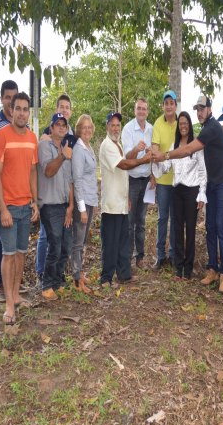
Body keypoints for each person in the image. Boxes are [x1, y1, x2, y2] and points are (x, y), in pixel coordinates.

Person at [152, 95, 223, 293]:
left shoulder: (213, 127)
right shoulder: (206, 128)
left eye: (202, 109)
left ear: (209, 109)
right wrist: (158, 163)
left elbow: (189, 149)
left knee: (220, 226)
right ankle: (212, 269)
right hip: (212, 183)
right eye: (197, 109)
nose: (199, 112)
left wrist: (166, 154)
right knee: (209, 226)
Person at [0, 92, 39, 324]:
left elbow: (32, 172)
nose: (21, 113)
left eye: (24, 109)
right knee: (8, 256)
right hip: (8, 207)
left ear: (28, 112)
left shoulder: (32, 138)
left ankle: (17, 294)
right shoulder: (1, 136)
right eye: (17, 108)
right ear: (11, 110)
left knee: (21, 253)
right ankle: (9, 304)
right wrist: (3, 207)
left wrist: (35, 202)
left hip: (25, 206)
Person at [99, 112, 151, 287]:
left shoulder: (118, 144)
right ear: (107, 126)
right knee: (110, 242)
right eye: (112, 125)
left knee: (123, 240)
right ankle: (106, 278)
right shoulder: (107, 145)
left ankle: (123, 274)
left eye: (117, 125)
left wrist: (128, 196)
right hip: (111, 204)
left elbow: (123, 174)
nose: (115, 128)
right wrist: (143, 160)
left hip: (121, 202)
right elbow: (123, 165)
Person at [153, 111, 207, 280]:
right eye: (181, 123)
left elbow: (202, 170)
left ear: (189, 125)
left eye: (186, 123)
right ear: (178, 126)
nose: (183, 126)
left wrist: (202, 193)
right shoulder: (173, 146)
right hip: (176, 190)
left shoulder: (196, 145)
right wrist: (156, 163)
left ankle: (188, 269)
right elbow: (165, 167)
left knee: (190, 229)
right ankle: (178, 268)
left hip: (192, 191)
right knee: (177, 228)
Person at [36, 94, 75, 285]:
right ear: (51, 128)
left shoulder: (67, 147)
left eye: (64, 125)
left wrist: (70, 206)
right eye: (57, 125)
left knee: (66, 247)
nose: (60, 128)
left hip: (63, 204)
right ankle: (47, 283)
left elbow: (69, 180)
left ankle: (58, 280)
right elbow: (49, 171)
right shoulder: (44, 145)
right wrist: (63, 156)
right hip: (49, 205)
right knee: (55, 246)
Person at [0, 80, 18, 302]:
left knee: (16, 244)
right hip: (0, 194)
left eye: (14, 97)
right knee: (1, 240)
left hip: (17, 193)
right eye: (8, 97)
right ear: (2, 99)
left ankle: (13, 284)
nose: (11, 102)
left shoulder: (22, 125)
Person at [121, 98, 154, 269]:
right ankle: (126, 257)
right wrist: (137, 149)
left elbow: (153, 156)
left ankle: (140, 257)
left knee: (141, 220)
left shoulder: (151, 129)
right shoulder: (127, 129)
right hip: (132, 180)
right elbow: (127, 158)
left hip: (146, 180)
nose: (141, 111)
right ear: (135, 111)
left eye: (144, 109)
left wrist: (153, 175)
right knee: (129, 220)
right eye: (139, 108)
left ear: (147, 112)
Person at [71, 114, 98, 293]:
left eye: (89, 127)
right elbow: (77, 180)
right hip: (83, 202)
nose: (87, 130)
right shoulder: (79, 150)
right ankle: (76, 279)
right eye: (84, 127)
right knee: (78, 242)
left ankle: (79, 273)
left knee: (83, 241)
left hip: (91, 199)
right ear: (79, 129)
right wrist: (81, 209)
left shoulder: (88, 147)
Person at [151, 90, 178, 270]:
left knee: (175, 219)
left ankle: (173, 254)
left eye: (172, 103)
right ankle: (160, 256)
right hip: (163, 180)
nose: (169, 106)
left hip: (178, 180)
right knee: (162, 218)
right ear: (163, 106)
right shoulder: (158, 123)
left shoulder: (181, 121)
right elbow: (154, 151)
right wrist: (153, 175)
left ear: (176, 105)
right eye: (166, 103)